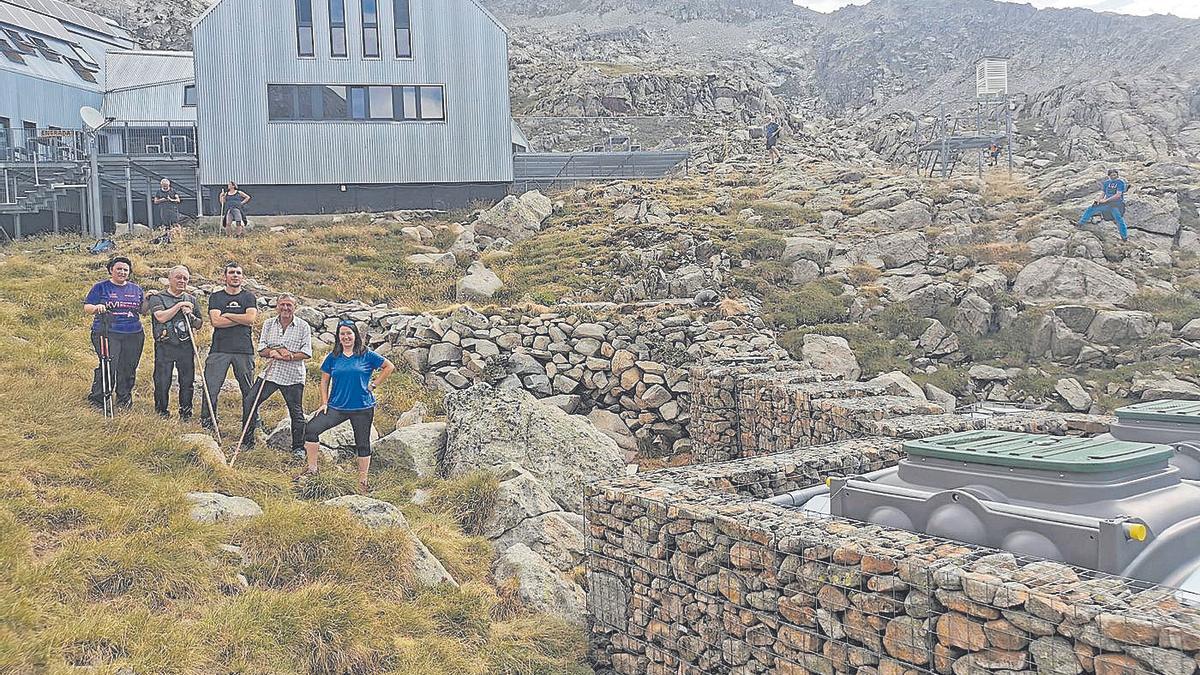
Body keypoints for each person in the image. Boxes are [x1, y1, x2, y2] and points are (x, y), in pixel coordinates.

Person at [298, 321, 395, 494]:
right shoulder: (333, 357)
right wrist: (324, 403)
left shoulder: (366, 354)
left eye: (349, 333)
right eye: (342, 334)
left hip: (362, 407)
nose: (346, 337)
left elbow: (389, 367)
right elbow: (324, 381)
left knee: (362, 443)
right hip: (337, 407)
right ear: (338, 337)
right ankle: (312, 469)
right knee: (311, 429)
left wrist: (374, 385)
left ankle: (362, 482)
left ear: (355, 335)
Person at [243, 294, 312, 455]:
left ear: (295, 307)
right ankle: (247, 442)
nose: (286, 308)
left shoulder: (303, 326)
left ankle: (298, 448)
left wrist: (291, 356)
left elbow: (307, 353)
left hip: (293, 376)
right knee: (250, 402)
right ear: (277, 306)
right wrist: (275, 351)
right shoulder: (268, 324)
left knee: (296, 412)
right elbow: (261, 350)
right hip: (271, 374)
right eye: (283, 305)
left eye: (289, 305)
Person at [202, 262, 259, 442]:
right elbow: (216, 322)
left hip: (244, 350)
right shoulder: (216, 297)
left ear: (242, 277)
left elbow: (250, 319)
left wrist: (227, 315)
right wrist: (239, 318)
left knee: (248, 391)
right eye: (231, 272)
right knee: (211, 388)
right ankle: (207, 424)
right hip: (219, 349)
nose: (235, 275)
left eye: (238, 273)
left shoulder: (249, 297)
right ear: (225, 276)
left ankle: (249, 429)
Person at [83, 257, 145, 410]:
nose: (122, 272)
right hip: (107, 332)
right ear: (111, 270)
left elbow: (143, 310)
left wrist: (150, 299)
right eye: (119, 269)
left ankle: (124, 400)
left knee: (129, 367)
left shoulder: (136, 289)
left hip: (134, 333)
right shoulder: (101, 287)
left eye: (125, 269)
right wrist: (97, 307)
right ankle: (98, 399)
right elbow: (87, 307)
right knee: (108, 365)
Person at [146, 265, 203, 419]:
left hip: (186, 346)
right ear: (169, 279)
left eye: (185, 278)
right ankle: (161, 412)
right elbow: (161, 317)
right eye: (178, 277)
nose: (182, 281)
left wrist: (190, 315)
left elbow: (199, 323)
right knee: (162, 381)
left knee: (187, 382)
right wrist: (178, 306)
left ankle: (186, 413)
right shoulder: (158, 297)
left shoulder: (191, 299)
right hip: (165, 346)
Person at [1078, 168, 1129, 241]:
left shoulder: (1120, 182)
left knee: (1119, 220)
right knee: (1091, 208)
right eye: (1112, 175)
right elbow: (1103, 193)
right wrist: (1098, 200)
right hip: (1107, 203)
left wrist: (1106, 200)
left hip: (1116, 204)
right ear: (1109, 176)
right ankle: (1080, 223)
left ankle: (1124, 237)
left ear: (1117, 175)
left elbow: (1118, 195)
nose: (1114, 176)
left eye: (1115, 175)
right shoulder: (1106, 183)